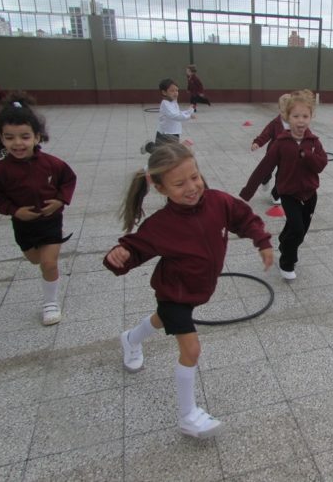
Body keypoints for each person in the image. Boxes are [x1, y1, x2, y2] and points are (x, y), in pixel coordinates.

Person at [104, 142, 273, 439]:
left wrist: (262, 241)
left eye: (194, 177)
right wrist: (118, 256)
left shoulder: (218, 202)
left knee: (161, 320)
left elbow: (245, 218)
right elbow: (134, 250)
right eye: (179, 184)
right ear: (160, 188)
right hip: (174, 293)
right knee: (191, 349)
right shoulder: (160, 225)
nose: (192, 187)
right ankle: (188, 416)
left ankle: (131, 339)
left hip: (198, 288)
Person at [0, 92, 76, 325]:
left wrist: (60, 201)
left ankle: (50, 303)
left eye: (25, 137)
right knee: (35, 259)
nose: (18, 143)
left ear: (37, 137)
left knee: (48, 263)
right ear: (1, 138)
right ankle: (46, 267)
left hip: (50, 221)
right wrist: (13, 210)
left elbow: (69, 179)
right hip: (23, 225)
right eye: (10, 138)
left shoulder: (52, 164)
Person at [240, 89, 328, 280]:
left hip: (310, 194)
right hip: (288, 194)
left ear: (311, 117)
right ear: (288, 117)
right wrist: (247, 192)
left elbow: (321, 165)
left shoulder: (314, 142)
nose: (301, 121)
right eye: (296, 116)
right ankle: (287, 262)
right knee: (296, 229)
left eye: (305, 116)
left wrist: (308, 155)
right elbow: (264, 168)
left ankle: (283, 241)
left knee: (300, 231)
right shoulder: (281, 143)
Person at [251, 93, 291, 205]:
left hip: (287, 156)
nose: (285, 114)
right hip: (273, 153)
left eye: (288, 112)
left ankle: (275, 194)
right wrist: (258, 142)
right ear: (279, 109)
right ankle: (265, 179)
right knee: (267, 171)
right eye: (283, 111)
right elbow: (266, 134)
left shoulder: (296, 124)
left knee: (282, 176)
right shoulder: (275, 123)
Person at [142, 79, 195, 155]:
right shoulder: (165, 104)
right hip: (165, 134)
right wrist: (188, 116)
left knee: (170, 154)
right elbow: (174, 116)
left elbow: (178, 113)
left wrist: (189, 111)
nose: (175, 93)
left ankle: (149, 146)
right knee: (162, 154)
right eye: (172, 91)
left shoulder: (173, 101)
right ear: (164, 92)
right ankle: (149, 146)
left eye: (177, 90)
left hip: (174, 132)